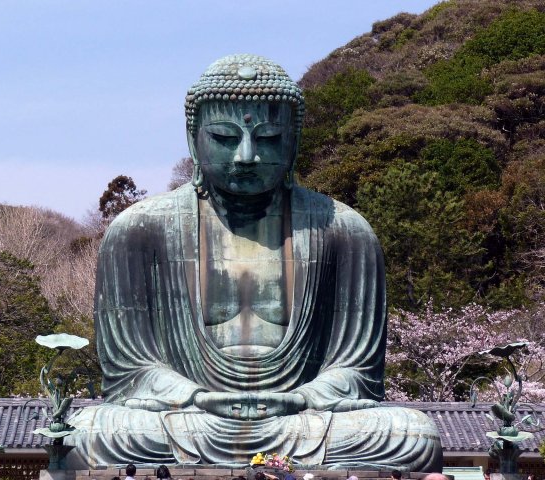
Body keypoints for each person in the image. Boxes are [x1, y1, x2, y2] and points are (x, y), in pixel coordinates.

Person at [65, 54, 442, 471]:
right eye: (225, 138)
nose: (246, 156)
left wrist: (302, 397)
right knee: (89, 432)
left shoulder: (343, 230)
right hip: (189, 418)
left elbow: (356, 371)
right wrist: (196, 397)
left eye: (267, 139)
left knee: (411, 433)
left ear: (293, 142)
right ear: (194, 140)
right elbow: (131, 369)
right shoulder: (140, 229)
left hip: (301, 419)